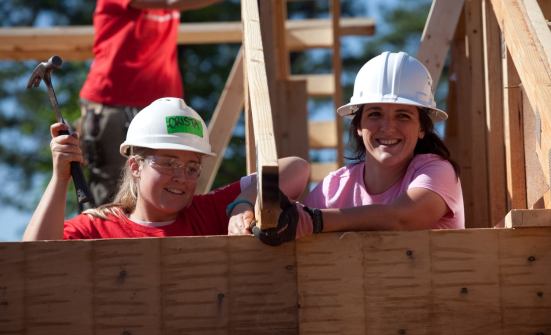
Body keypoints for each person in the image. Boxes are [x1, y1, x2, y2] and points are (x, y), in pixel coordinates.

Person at [252, 51, 465, 246]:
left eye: (403, 115)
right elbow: (294, 224)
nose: (388, 127)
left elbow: (402, 218)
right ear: (358, 127)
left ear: (421, 129)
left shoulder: (438, 171)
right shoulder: (334, 188)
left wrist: (314, 220)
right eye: (375, 114)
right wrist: (244, 208)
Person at [23, 97, 309, 241]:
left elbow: (297, 169)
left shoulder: (207, 212)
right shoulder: (99, 228)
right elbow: (36, 256)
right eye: (169, 163)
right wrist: (60, 180)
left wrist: (243, 203)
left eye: (192, 167)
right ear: (135, 166)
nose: (181, 177)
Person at [79, 0, 222, 206]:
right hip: (113, 104)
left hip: (161, 109)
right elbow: (172, 2)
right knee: (111, 196)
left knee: (171, 187)